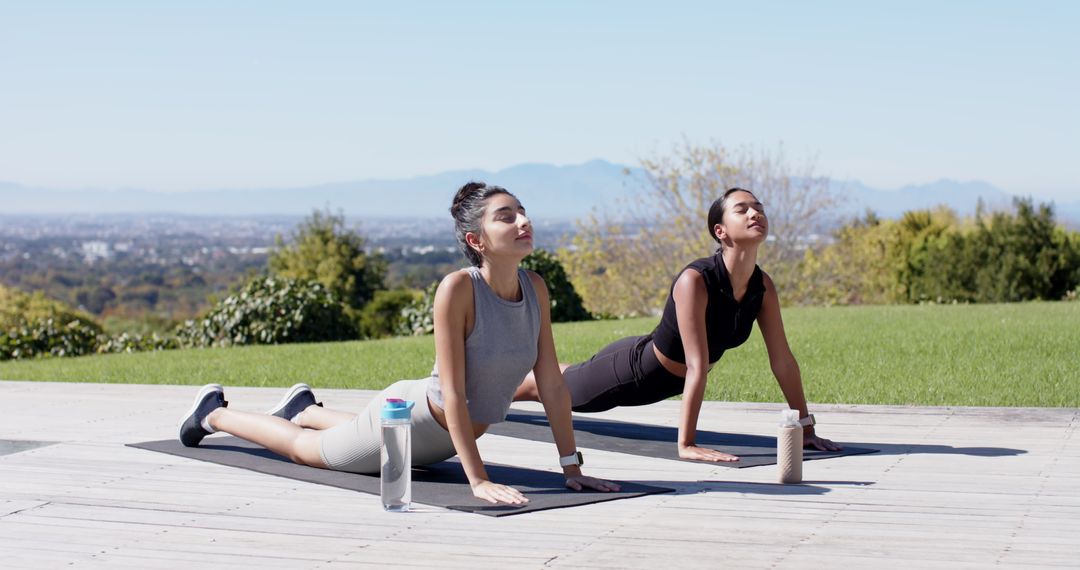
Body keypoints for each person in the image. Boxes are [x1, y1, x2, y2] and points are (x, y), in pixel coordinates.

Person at [178, 182, 619, 505]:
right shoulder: (458, 290)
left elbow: (552, 386)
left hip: (440, 436)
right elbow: (452, 393)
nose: (523, 221)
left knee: (351, 432)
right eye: (506, 216)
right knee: (304, 450)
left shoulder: (535, 288)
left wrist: (572, 468)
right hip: (412, 423)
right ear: (476, 240)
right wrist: (478, 479)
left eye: (522, 211)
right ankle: (214, 413)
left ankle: (305, 410)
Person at [514, 187, 841, 462]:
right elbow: (696, 365)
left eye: (758, 208)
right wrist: (687, 445)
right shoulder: (695, 280)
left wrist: (806, 429)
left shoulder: (762, 286)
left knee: (558, 374)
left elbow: (782, 361)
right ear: (720, 231)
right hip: (632, 372)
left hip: (666, 382)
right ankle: (481, 393)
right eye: (742, 210)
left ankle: (502, 374)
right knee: (539, 389)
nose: (755, 213)